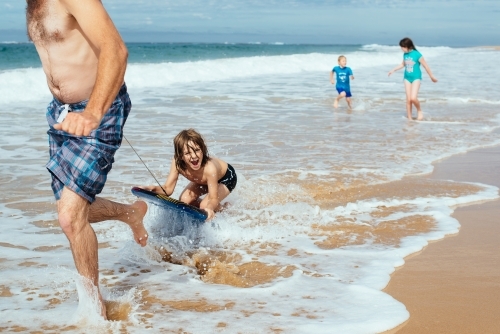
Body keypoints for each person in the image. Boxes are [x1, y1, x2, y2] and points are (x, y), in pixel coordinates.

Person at [26, 0, 149, 319]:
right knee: (76, 210)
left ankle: (94, 314)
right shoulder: (32, 5)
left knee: (69, 217)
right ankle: (130, 213)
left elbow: (116, 50)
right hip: (61, 116)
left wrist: (93, 113)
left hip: (97, 112)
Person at [141, 129, 237, 220]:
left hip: (226, 178)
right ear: (180, 156)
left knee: (205, 205)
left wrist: (209, 208)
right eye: (187, 153)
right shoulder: (177, 163)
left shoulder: (209, 168)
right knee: (185, 200)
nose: (194, 156)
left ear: (203, 149)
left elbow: (213, 198)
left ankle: (224, 210)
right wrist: (150, 189)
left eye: (197, 150)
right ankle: (210, 210)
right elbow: (167, 189)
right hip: (204, 180)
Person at [388, 37, 438, 121]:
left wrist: (431, 76)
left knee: (413, 98)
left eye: (402, 47)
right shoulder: (405, 54)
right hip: (407, 78)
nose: (401, 49)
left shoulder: (417, 54)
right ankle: (410, 119)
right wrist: (393, 69)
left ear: (407, 46)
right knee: (408, 99)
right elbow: (403, 64)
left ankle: (419, 111)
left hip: (416, 78)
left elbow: (426, 66)